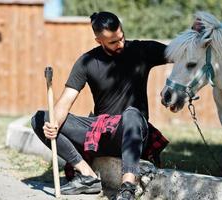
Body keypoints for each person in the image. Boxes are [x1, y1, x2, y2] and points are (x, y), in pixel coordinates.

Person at [31, 11, 169, 200]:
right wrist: (53, 124)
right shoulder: (86, 62)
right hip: (100, 133)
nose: (120, 44)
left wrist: (197, 36)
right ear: (98, 41)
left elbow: (182, 54)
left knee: (132, 114)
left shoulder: (142, 50)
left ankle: (127, 187)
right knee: (42, 119)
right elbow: (65, 101)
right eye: (112, 42)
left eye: (121, 37)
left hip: (133, 132)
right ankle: (87, 176)